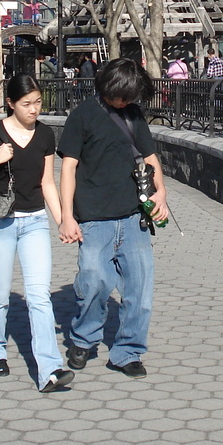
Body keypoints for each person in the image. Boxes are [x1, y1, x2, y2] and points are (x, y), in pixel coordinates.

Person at [58, 58, 168, 380]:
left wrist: (160, 193)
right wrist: (66, 216)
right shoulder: (82, 116)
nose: (128, 102)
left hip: (134, 217)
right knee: (94, 281)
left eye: (133, 96)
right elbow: (67, 169)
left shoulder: (134, 115)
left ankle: (128, 351)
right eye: (124, 96)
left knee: (140, 290)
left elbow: (150, 158)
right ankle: (84, 338)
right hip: (94, 218)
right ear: (108, 88)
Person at [0, 74, 73, 393]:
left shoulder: (44, 136)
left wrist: (62, 220)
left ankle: (49, 369)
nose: (34, 110)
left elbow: (47, 183)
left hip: (35, 221)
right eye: (26, 104)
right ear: (10, 104)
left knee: (39, 296)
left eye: (38, 102)